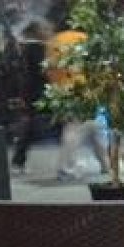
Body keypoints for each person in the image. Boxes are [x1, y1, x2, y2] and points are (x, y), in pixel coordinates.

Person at [45, 29, 108, 181]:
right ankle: (65, 169)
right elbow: (96, 66)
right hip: (84, 89)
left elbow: (49, 68)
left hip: (63, 90)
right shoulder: (84, 38)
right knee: (77, 128)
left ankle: (106, 163)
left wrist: (57, 87)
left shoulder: (54, 41)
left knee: (94, 126)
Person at [10, 20, 51, 175]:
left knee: (29, 127)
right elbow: (42, 71)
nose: (49, 32)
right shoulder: (36, 48)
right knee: (29, 128)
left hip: (32, 92)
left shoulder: (27, 48)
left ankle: (18, 161)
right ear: (37, 31)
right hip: (37, 92)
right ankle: (18, 161)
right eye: (45, 29)